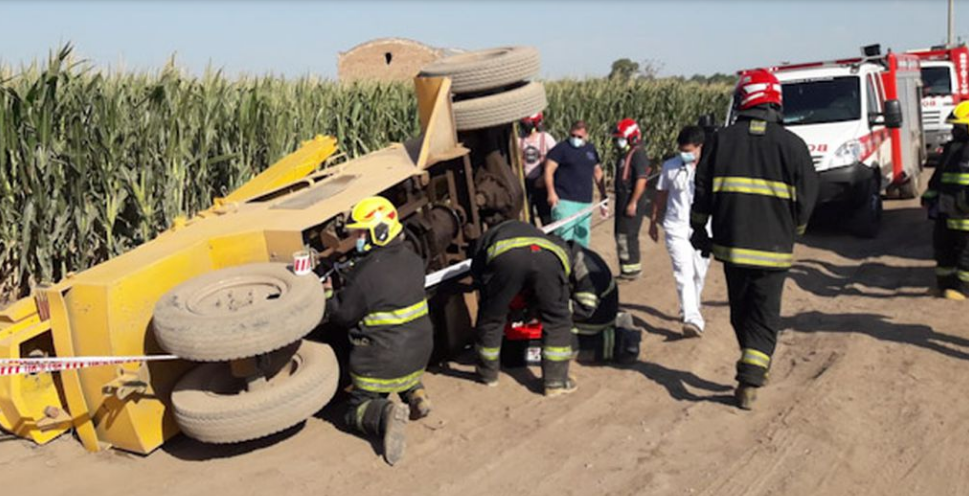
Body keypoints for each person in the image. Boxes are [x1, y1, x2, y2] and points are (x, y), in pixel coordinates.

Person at [690, 69, 819, 410]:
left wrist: (698, 228)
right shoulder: (793, 146)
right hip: (774, 251)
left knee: (741, 312)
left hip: (732, 247)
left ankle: (751, 370)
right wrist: (795, 231)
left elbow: (701, 189)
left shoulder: (720, 140)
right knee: (765, 314)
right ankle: (752, 371)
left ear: (745, 99)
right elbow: (807, 198)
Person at [324, 196, 433, 466]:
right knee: (403, 367)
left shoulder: (365, 275)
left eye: (361, 232)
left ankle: (385, 413)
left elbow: (342, 315)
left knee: (354, 411)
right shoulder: (413, 260)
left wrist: (328, 293)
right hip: (420, 353)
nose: (357, 238)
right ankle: (416, 394)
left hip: (381, 362)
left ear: (379, 232)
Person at [470, 219, 577, 396]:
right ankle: (555, 383)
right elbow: (556, 274)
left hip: (506, 259)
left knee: (491, 319)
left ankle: (487, 375)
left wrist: (494, 301)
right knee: (558, 320)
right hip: (549, 259)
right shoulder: (539, 235)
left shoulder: (489, 237)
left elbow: (479, 276)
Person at [650, 125, 711, 338]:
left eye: (689, 150)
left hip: (703, 228)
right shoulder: (670, 167)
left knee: (698, 272)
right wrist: (653, 220)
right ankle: (692, 318)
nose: (684, 154)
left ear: (700, 148)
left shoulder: (710, 167)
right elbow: (661, 193)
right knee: (683, 273)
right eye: (682, 150)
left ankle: (691, 306)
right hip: (676, 226)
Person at [923, 100, 969, 300]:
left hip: (965, 212)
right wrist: (930, 196)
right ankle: (945, 286)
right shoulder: (952, 148)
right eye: (954, 127)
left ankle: (963, 289)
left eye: (958, 127)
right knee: (943, 248)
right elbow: (939, 175)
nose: (954, 131)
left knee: (966, 252)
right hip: (946, 209)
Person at [565, 240, 639, 363]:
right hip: (602, 309)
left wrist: (550, 307)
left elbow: (584, 310)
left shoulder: (585, 271)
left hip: (591, 320)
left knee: (555, 340)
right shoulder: (579, 256)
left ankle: (616, 343)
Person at [544, 120, 608, 247]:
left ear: (586, 136)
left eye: (579, 137)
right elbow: (548, 170)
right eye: (573, 135)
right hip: (565, 201)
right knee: (563, 238)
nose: (576, 139)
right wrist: (551, 193)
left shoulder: (591, 150)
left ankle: (580, 264)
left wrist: (603, 194)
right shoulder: (561, 149)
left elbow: (597, 172)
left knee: (582, 239)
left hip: (585, 203)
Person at [612, 118, 651, 279]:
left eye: (621, 138)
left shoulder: (638, 154)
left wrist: (633, 202)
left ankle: (631, 269)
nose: (618, 141)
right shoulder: (626, 154)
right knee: (621, 233)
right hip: (623, 198)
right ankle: (626, 267)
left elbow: (641, 180)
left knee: (627, 234)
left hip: (631, 198)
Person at [520, 112, 557, 226]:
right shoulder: (518, 140)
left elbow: (556, 160)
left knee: (546, 217)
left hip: (542, 183)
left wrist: (544, 178)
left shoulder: (546, 138)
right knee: (527, 216)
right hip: (525, 184)